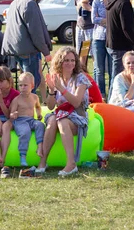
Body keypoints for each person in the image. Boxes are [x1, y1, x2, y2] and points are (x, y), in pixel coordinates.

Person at [38, 47, 91, 176]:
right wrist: (51, 90)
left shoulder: (81, 79)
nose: (70, 63)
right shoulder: (57, 78)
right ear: (59, 62)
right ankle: (43, 161)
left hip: (78, 115)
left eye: (73, 60)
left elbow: (77, 102)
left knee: (61, 120)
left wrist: (61, 88)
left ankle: (71, 164)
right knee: (52, 119)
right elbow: (50, 107)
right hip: (61, 113)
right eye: (66, 60)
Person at [2, 0, 52, 94]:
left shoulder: (16, 2)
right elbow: (36, 32)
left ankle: (23, 109)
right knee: (30, 86)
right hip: (28, 51)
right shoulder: (29, 4)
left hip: (17, 50)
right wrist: (46, 51)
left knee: (25, 84)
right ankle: (26, 111)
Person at [10, 72, 45, 168]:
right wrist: (14, 114)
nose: (22, 87)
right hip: (20, 120)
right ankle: (23, 155)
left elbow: (38, 107)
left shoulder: (35, 97)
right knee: (25, 132)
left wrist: (39, 114)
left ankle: (40, 147)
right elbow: (11, 113)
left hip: (31, 120)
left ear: (32, 86)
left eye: (25, 85)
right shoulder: (16, 99)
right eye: (20, 85)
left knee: (40, 125)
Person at [0, 66, 20, 169]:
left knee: (6, 127)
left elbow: (8, 115)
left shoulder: (15, 94)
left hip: (10, 118)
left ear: (9, 81)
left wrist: (0, 100)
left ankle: (3, 157)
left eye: (1, 82)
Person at [91, 0, 115, 96]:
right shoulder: (96, 2)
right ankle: (101, 94)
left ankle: (111, 94)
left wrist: (104, 20)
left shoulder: (115, 1)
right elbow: (94, 19)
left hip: (111, 38)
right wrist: (109, 20)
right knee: (99, 69)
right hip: (98, 38)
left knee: (112, 68)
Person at [75, 0, 93, 68]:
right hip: (80, 27)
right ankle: (82, 72)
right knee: (82, 53)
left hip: (90, 27)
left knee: (93, 53)